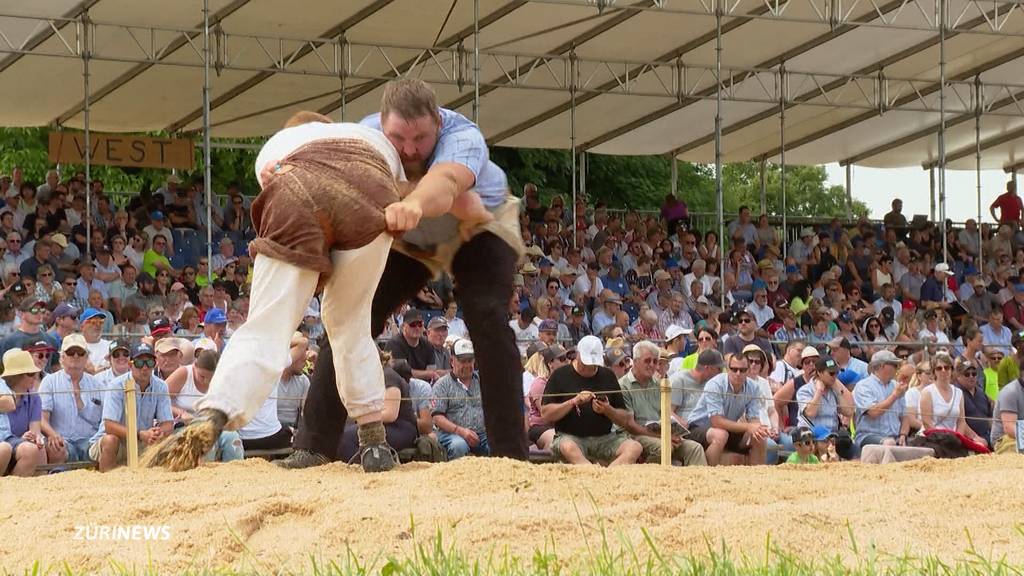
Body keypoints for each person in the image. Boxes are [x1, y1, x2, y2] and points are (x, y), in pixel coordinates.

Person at [144, 109, 490, 473]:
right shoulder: (369, 138)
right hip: (370, 189)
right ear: (328, 128)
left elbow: (284, 204)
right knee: (350, 322)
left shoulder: (276, 147)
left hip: (292, 186)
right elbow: (408, 194)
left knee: (267, 323)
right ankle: (373, 440)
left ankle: (214, 414)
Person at [282, 78, 529, 469]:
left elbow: (446, 184)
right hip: (408, 237)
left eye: (421, 139)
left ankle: (511, 455)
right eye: (398, 138)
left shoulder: (464, 135)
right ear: (381, 124)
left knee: (487, 315)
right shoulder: (363, 139)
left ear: (438, 124)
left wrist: (412, 200)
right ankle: (312, 447)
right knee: (347, 316)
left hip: (479, 228)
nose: (410, 149)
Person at [540, 335, 643, 466]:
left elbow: (625, 418)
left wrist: (607, 409)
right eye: (586, 362)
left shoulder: (608, 375)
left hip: (605, 438)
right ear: (577, 355)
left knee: (634, 447)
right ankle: (593, 473)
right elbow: (546, 414)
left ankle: (608, 475)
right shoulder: (560, 375)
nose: (589, 367)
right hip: (571, 437)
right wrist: (573, 402)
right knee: (568, 447)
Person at [618, 341, 707, 466]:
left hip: (659, 432)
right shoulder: (623, 386)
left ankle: (698, 483)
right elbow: (631, 426)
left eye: (655, 361)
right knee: (665, 447)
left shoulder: (658, 383)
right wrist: (663, 436)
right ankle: (654, 480)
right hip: (635, 435)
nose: (652, 365)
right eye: (647, 361)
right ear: (635, 361)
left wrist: (671, 433)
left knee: (695, 448)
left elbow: (665, 414)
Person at [88, 343, 174, 472]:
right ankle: (105, 481)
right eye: (139, 363)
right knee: (110, 440)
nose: (144, 368)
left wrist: (158, 433)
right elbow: (109, 426)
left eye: (149, 363)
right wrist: (140, 434)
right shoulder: (116, 385)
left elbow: (168, 424)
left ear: (154, 364)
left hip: (144, 440)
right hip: (117, 442)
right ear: (130, 365)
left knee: (172, 440)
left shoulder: (161, 386)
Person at [686, 353, 770, 466]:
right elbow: (716, 421)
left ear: (748, 370)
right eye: (734, 369)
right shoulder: (715, 384)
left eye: (742, 370)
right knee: (720, 435)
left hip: (727, 429)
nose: (738, 373)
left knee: (759, 437)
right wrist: (749, 426)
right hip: (697, 427)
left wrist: (758, 429)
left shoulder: (753, 387)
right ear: (727, 369)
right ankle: (707, 475)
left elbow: (754, 419)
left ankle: (757, 478)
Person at [38, 334, 105, 464]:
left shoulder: (97, 384)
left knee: (108, 443)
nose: (75, 356)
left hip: (90, 440)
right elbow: (41, 418)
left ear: (86, 357)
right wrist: (52, 434)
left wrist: (99, 438)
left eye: (80, 353)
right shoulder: (49, 382)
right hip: (62, 440)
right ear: (62, 357)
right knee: (55, 447)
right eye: (71, 352)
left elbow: (105, 419)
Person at [431, 339, 489, 460]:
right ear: (452, 361)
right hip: (451, 433)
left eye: (470, 361)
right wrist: (460, 431)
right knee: (458, 446)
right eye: (463, 361)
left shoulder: (483, 380)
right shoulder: (442, 385)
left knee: (497, 443)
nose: (467, 365)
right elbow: (437, 417)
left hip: (482, 433)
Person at [853, 350, 911, 450]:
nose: (897, 368)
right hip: (868, 436)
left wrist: (903, 434)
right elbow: (873, 412)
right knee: (889, 444)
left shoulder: (896, 386)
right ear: (882, 366)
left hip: (895, 437)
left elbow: (904, 416)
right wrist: (894, 395)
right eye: (894, 365)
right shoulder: (863, 386)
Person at [0, 349, 46, 476]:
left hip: (13, 441)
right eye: (30, 373)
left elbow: (35, 430)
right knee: (4, 449)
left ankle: (20, 490)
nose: (36, 376)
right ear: (16, 376)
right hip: (6, 442)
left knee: (35, 448)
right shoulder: (2, 389)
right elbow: (9, 404)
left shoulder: (34, 397)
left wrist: (33, 437)